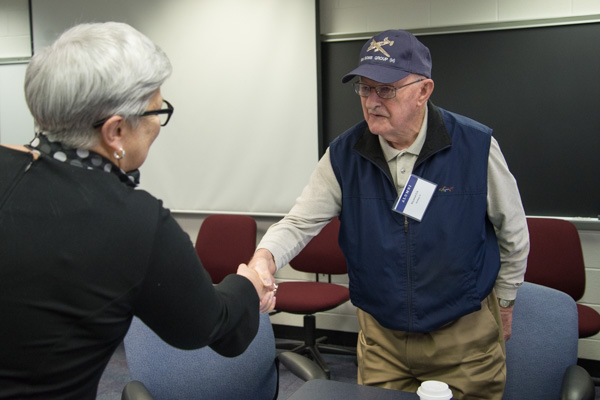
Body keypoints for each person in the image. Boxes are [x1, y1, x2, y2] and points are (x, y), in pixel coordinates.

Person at [0, 22, 274, 399]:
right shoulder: (133, 222)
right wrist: (249, 284)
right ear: (115, 132)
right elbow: (214, 328)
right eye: (156, 113)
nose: (158, 127)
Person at [249, 29, 529, 399]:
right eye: (365, 88)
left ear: (423, 91)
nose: (372, 102)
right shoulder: (344, 154)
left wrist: (506, 302)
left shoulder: (475, 146)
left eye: (386, 89)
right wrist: (264, 258)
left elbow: (512, 231)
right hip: (383, 341)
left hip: (463, 339)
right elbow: (300, 222)